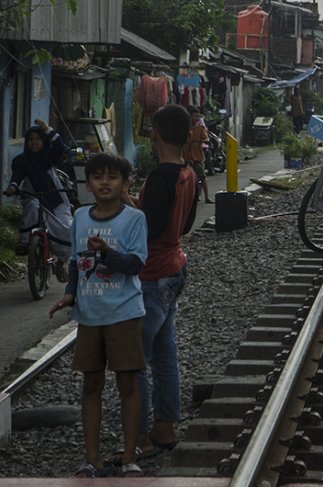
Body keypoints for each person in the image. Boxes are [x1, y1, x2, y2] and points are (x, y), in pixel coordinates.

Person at [49, 154, 148, 478]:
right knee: (91, 384)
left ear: (124, 183)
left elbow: (135, 265)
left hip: (123, 312)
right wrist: (70, 293)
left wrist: (106, 252)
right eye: (98, 177)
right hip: (89, 315)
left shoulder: (134, 219)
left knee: (127, 384)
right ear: (88, 183)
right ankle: (91, 459)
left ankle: (130, 456)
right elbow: (78, 261)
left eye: (113, 177)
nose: (105, 183)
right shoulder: (79, 216)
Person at [124, 104, 197, 454]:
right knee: (165, 354)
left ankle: (138, 437)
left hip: (153, 274)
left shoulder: (159, 176)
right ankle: (165, 428)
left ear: (154, 133)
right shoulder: (189, 174)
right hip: (175, 265)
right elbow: (182, 225)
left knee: (135, 356)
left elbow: (148, 228)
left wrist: (127, 202)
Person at [3, 119, 72, 281]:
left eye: (38, 139)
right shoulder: (21, 160)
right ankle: (25, 242)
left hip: (55, 199)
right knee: (33, 207)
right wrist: (12, 187)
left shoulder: (49, 156)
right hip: (32, 197)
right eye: (30, 139)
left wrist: (47, 129)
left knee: (67, 229)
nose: (34, 142)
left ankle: (60, 263)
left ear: (44, 141)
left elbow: (61, 148)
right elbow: (17, 177)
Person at [184, 106, 213, 204]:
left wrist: (203, 140)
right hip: (186, 156)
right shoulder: (184, 128)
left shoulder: (200, 128)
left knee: (202, 177)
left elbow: (206, 139)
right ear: (190, 116)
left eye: (198, 116)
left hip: (197, 156)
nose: (197, 118)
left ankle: (207, 197)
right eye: (195, 116)